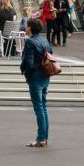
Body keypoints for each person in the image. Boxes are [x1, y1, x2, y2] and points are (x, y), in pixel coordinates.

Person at [21, 14, 54, 148]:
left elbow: (28, 62)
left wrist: (27, 76)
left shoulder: (29, 42)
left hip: (35, 75)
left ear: (30, 28)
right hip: (45, 74)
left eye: (27, 26)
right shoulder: (45, 41)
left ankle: (41, 138)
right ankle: (44, 137)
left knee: (39, 107)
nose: (25, 28)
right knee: (43, 106)